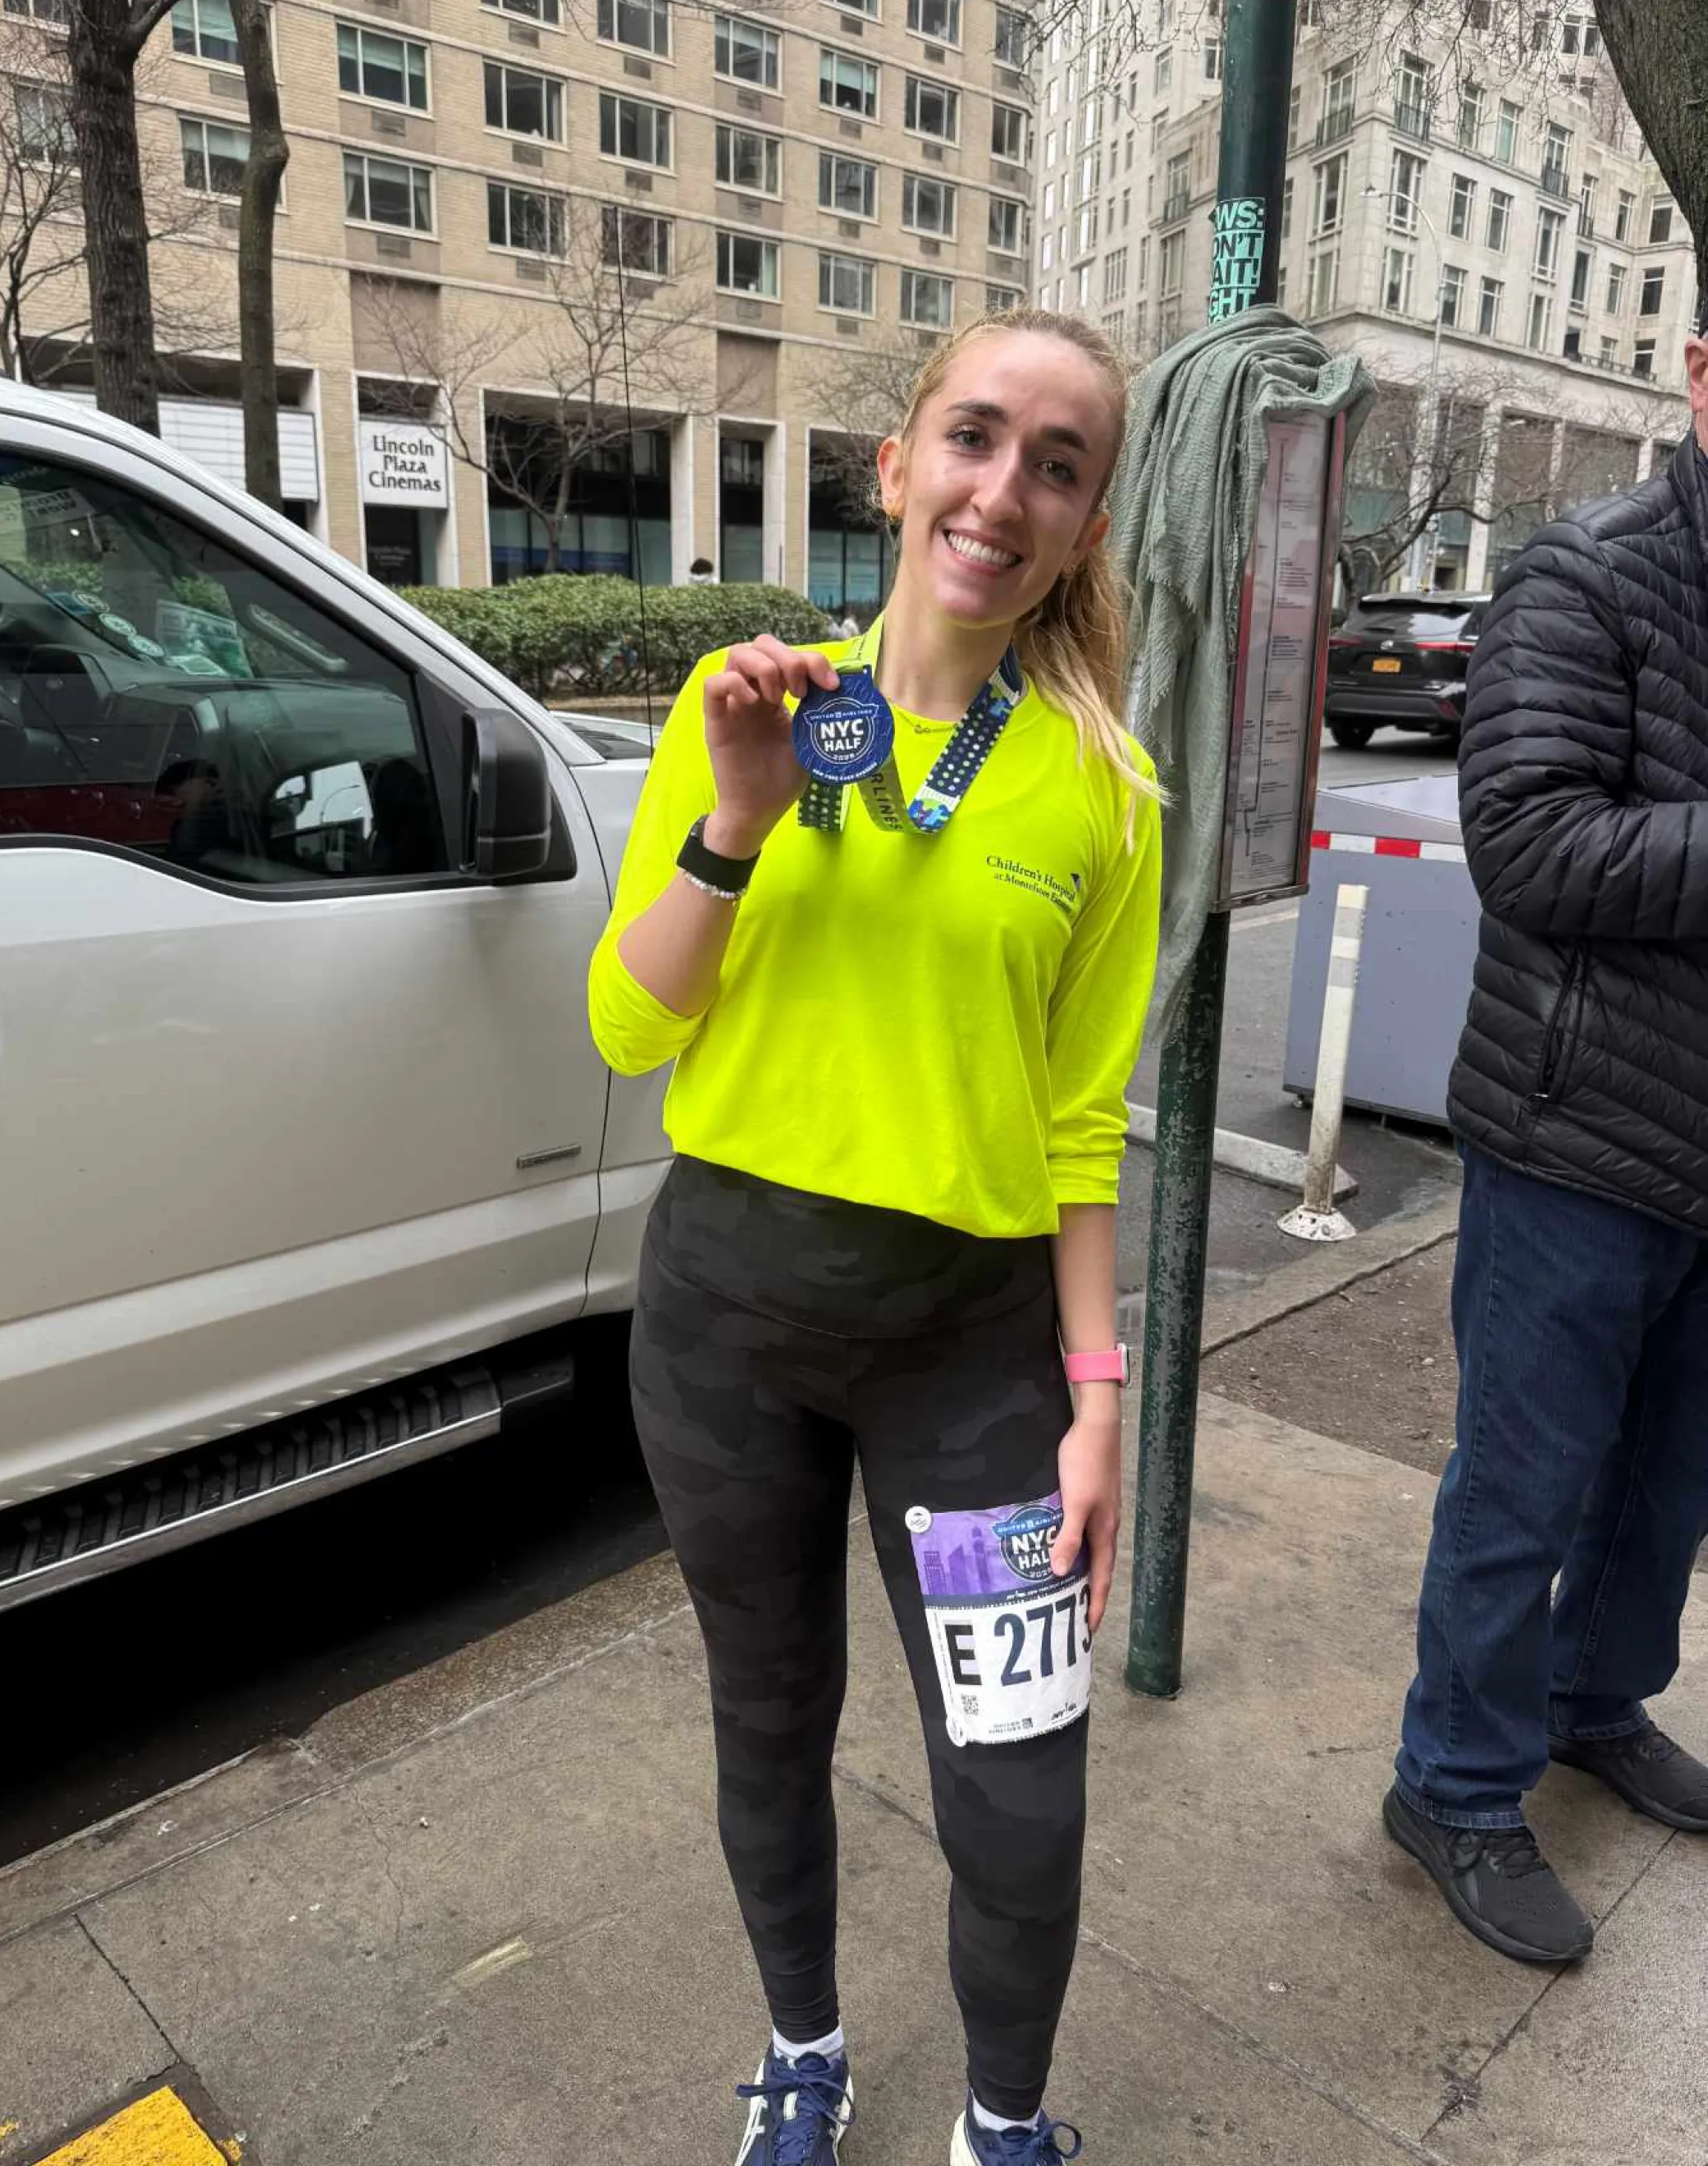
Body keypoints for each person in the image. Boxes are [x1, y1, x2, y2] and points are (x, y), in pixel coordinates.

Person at [589, 309, 1161, 2164]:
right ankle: (804, 2053)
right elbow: (627, 1025)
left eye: (1055, 464)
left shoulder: (1099, 793)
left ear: (1082, 525)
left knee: (1017, 1777)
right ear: (895, 465)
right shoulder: (740, 704)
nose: (1004, 489)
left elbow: (1081, 1124)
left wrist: (1095, 1394)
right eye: (975, 440)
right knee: (767, 1713)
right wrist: (736, 825)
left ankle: (1000, 2124)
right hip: (724, 1321)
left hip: (970, 1348)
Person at [1388, 311, 1708, 1967]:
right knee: (1520, 1492)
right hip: (1571, 1133)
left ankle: (1594, 1700)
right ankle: (1450, 1787)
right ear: (1700, 373)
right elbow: (1527, 844)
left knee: (1666, 1490)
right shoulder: (1583, 576)